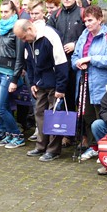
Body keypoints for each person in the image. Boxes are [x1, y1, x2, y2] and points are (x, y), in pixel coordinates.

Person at [14, 18, 68, 162]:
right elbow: (29, 63)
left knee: (54, 116)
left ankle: (53, 150)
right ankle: (41, 146)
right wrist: (33, 82)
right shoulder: (28, 42)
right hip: (40, 84)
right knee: (39, 113)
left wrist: (61, 87)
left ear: (29, 29)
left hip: (54, 83)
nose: (23, 41)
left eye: (23, 37)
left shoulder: (50, 36)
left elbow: (61, 62)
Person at [72, 4, 107, 160]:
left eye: (90, 20)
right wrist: (77, 63)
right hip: (84, 82)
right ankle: (94, 147)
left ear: (100, 19)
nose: (87, 24)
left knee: (103, 116)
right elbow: (75, 56)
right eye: (85, 21)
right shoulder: (84, 36)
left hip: (102, 84)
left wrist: (91, 59)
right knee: (88, 115)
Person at [0, 0, 26, 148]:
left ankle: (17, 135)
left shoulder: (17, 29)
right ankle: (9, 134)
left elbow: (20, 56)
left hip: (8, 72)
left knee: (0, 108)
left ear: (13, 12)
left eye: (6, 12)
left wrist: (15, 79)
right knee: (3, 105)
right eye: (1, 12)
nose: (3, 15)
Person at [48, 0, 85, 117]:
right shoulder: (55, 15)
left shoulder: (83, 13)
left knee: (78, 97)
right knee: (61, 96)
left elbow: (89, 35)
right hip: (59, 62)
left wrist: (75, 44)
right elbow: (48, 34)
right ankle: (64, 127)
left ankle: (79, 126)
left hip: (77, 62)